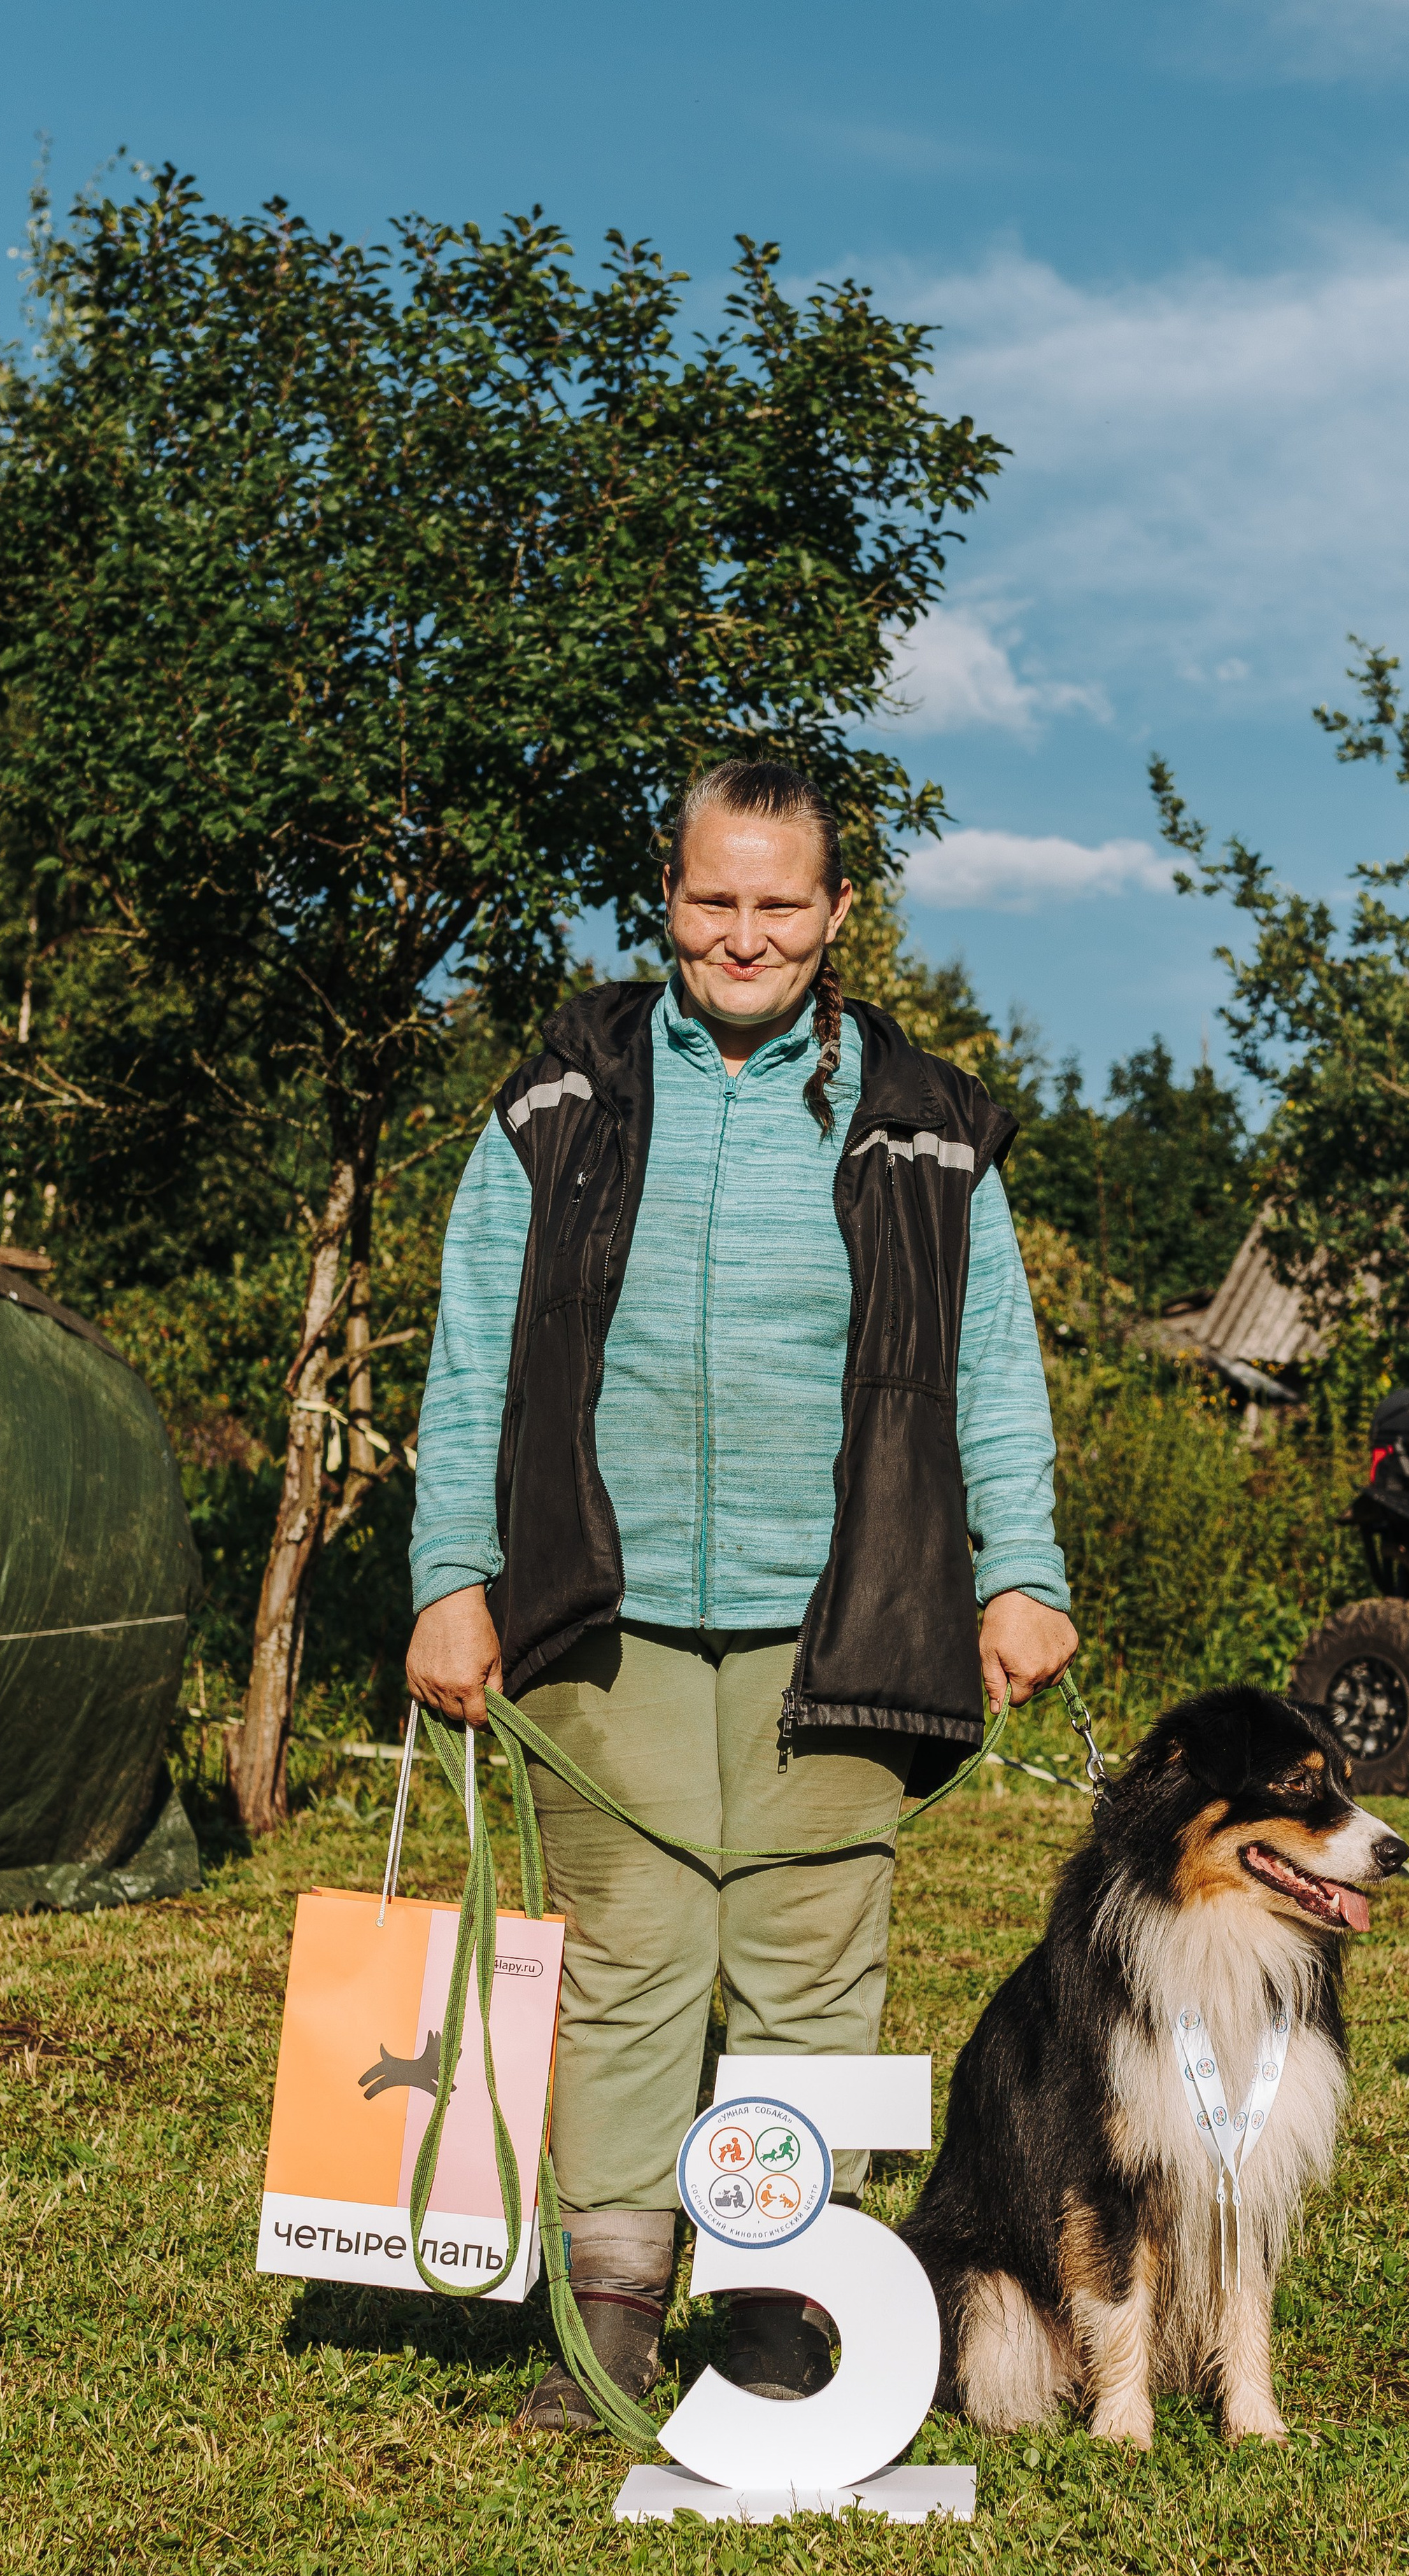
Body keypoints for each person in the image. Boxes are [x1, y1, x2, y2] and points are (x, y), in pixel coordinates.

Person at [404, 757, 1077, 2427]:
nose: (744, 931)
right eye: (715, 897)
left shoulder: (925, 1124)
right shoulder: (559, 1097)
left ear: (837, 913)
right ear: (668, 899)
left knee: (804, 1958)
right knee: (629, 1952)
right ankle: (618, 2307)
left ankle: (777, 2300)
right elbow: (470, 1353)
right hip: (597, 1603)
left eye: (781, 901)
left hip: (849, 1605)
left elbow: (994, 1369)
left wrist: (1025, 1570)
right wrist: (447, 1577)